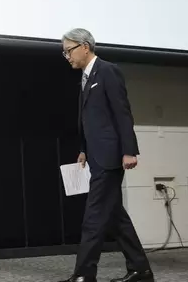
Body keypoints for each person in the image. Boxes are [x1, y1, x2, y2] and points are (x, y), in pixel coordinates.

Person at [59, 28, 153, 282]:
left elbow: (122, 113)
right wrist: (84, 150)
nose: (67, 56)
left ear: (85, 46)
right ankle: (141, 270)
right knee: (114, 215)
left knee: (94, 216)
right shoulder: (86, 77)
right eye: (64, 52)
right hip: (97, 155)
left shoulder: (108, 71)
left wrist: (129, 150)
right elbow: (92, 119)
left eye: (69, 50)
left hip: (111, 156)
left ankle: (84, 274)